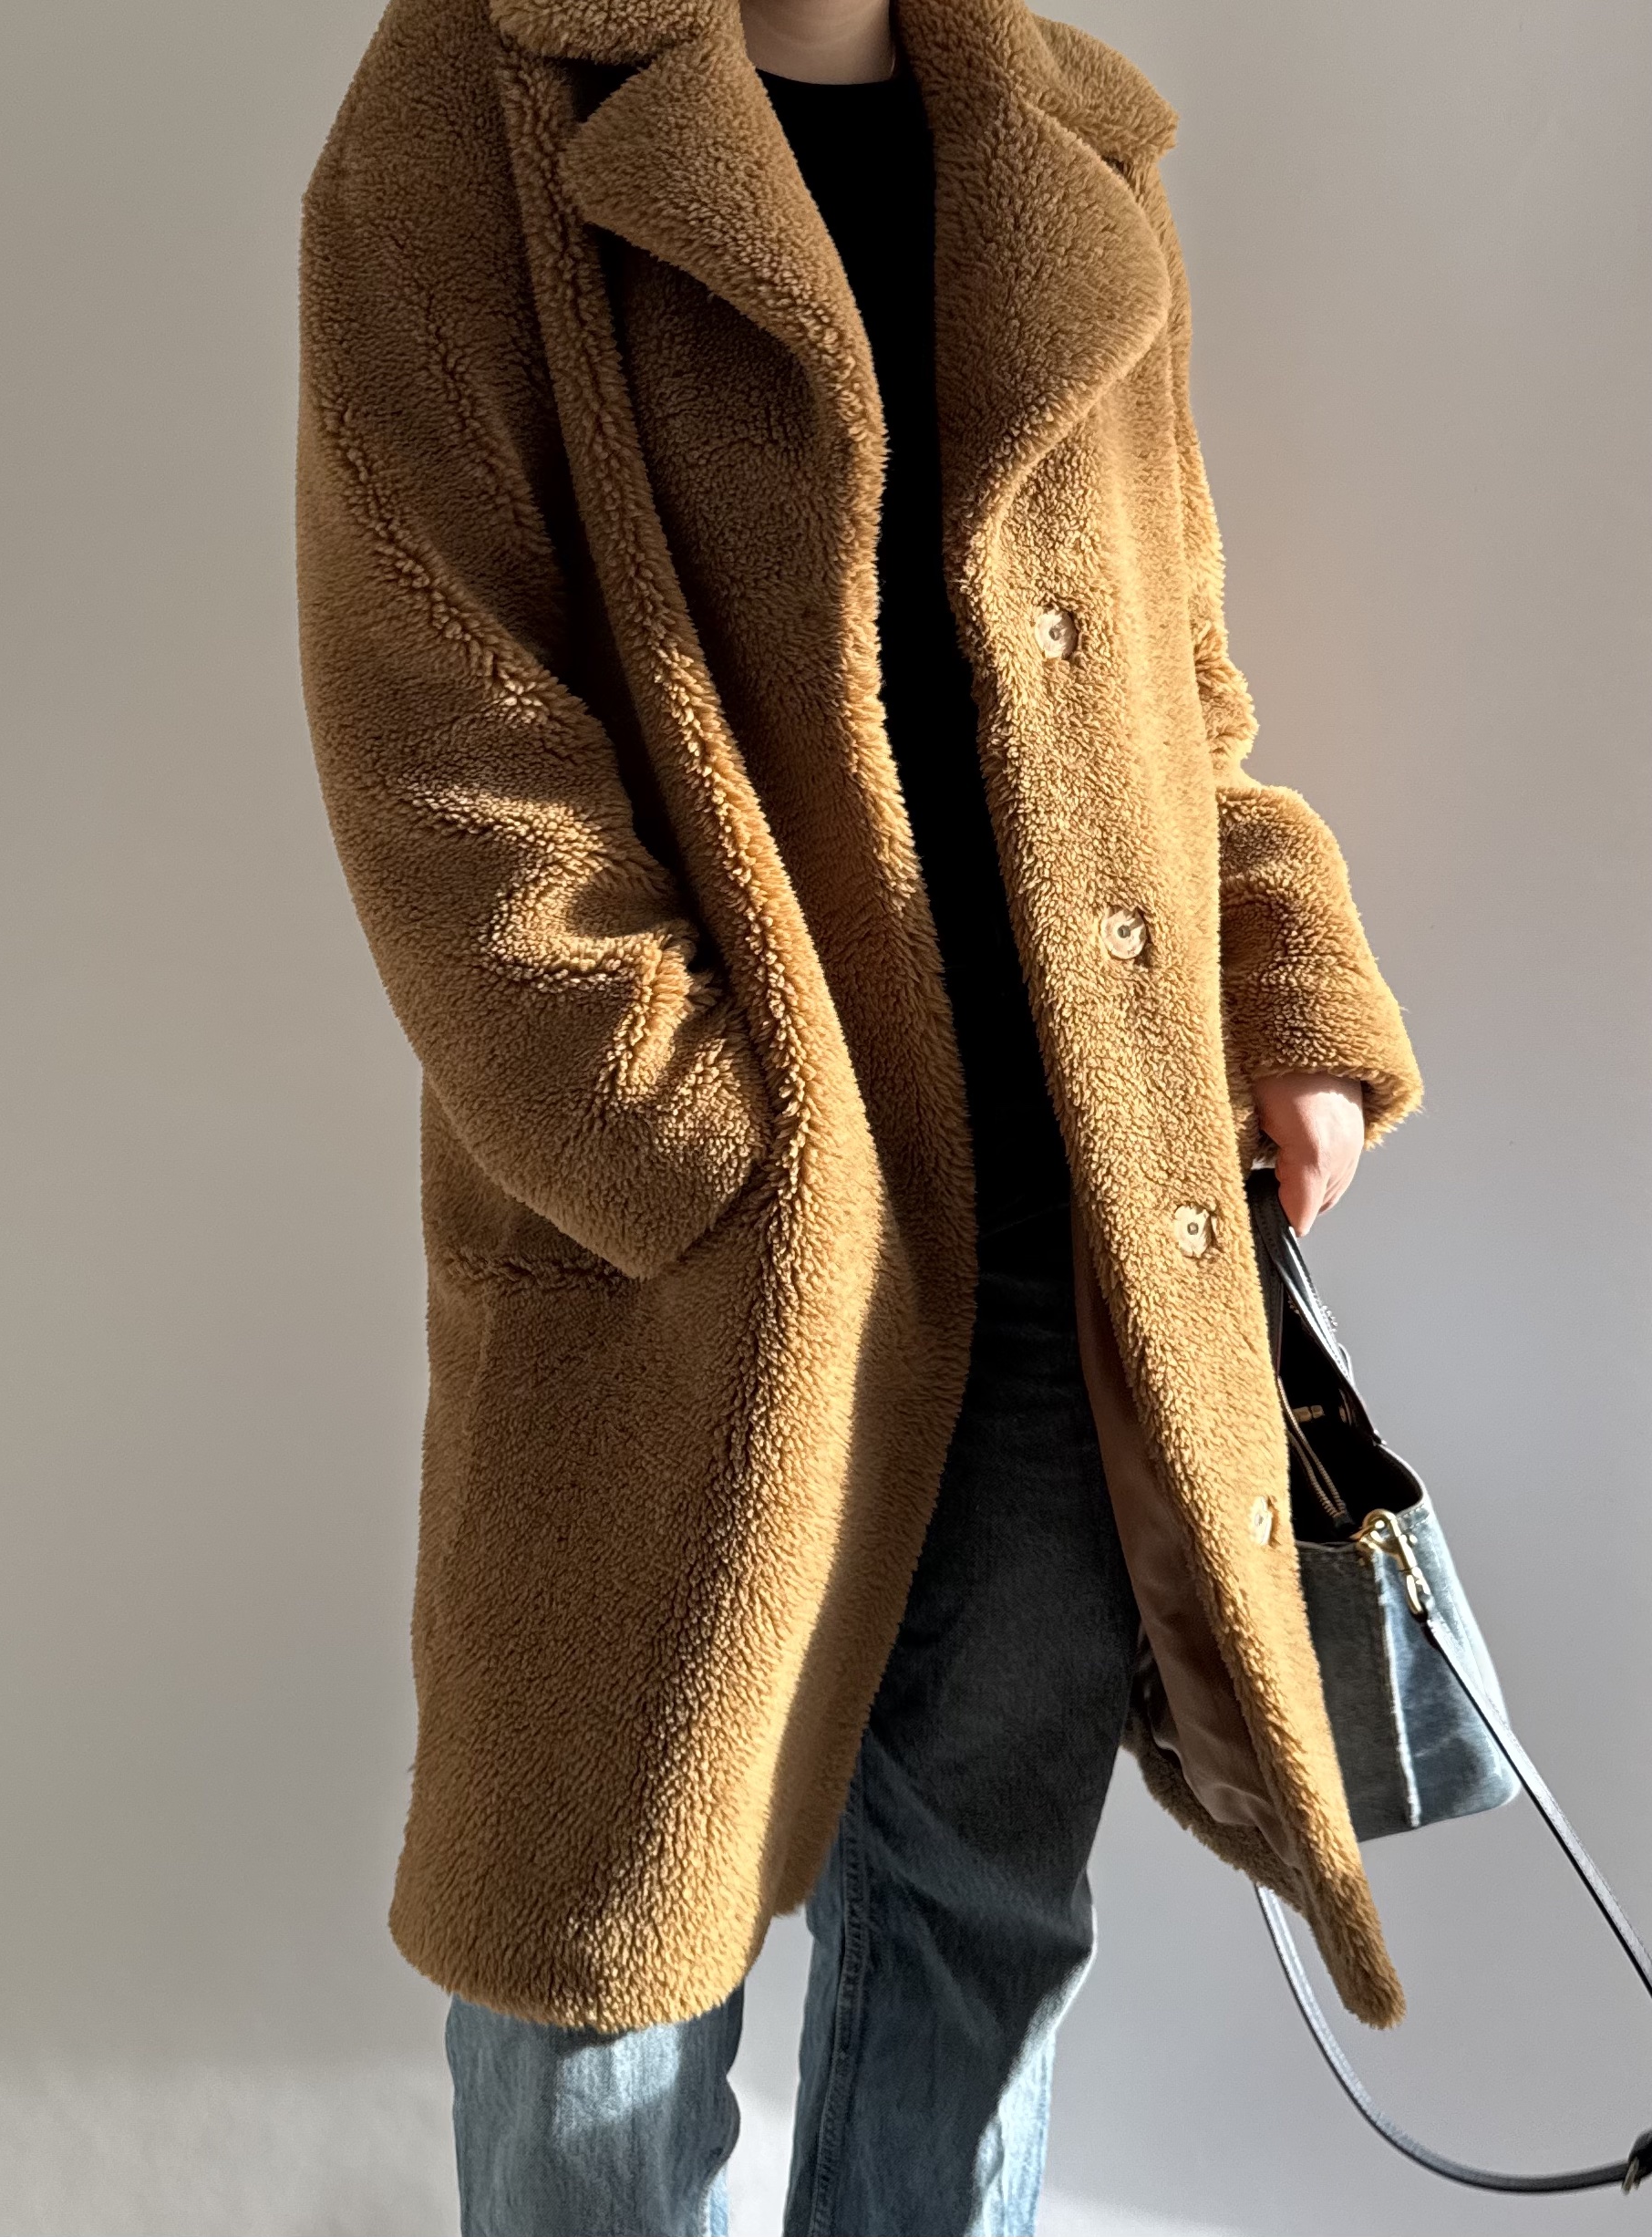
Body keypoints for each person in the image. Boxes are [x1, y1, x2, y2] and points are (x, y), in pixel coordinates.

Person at [295, 0, 1423, 2225]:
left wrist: (1278, 990)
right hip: (701, 1268)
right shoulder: (473, 99)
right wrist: (703, 1153)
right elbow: (443, 719)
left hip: (1066, 1233)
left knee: (977, 1924)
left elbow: (1173, 682)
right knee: (598, 1983)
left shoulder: (1067, 140)